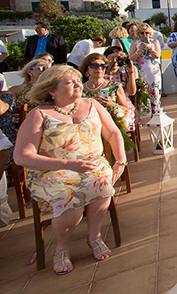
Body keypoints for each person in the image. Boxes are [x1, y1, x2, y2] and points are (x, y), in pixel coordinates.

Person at [14, 65, 127, 274]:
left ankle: (94, 236)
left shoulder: (92, 104)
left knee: (102, 184)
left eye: (77, 80)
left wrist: (120, 160)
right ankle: (61, 248)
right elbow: (22, 156)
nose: (78, 85)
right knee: (70, 197)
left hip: (91, 165)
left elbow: (113, 133)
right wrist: (69, 165)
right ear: (51, 90)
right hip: (51, 171)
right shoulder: (39, 115)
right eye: (69, 82)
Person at [79, 53, 133, 132]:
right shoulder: (80, 89)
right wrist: (90, 104)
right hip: (87, 128)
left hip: (111, 127)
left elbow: (125, 109)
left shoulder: (115, 86)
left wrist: (111, 104)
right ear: (86, 69)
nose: (99, 68)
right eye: (94, 66)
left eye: (103, 66)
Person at [130, 23, 162, 116]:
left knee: (154, 90)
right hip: (140, 70)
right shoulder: (135, 43)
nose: (145, 35)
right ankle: (141, 114)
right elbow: (131, 58)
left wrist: (150, 48)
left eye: (147, 33)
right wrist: (139, 50)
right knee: (142, 92)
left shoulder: (154, 42)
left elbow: (157, 56)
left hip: (153, 70)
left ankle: (155, 113)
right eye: (142, 33)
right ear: (138, 34)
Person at [103, 47, 138, 127]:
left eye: (117, 59)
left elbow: (132, 92)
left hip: (122, 107)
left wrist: (130, 72)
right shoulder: (102, 73)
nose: (114, 62)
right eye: (111, 59)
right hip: (105, 105)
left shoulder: (123, 73)